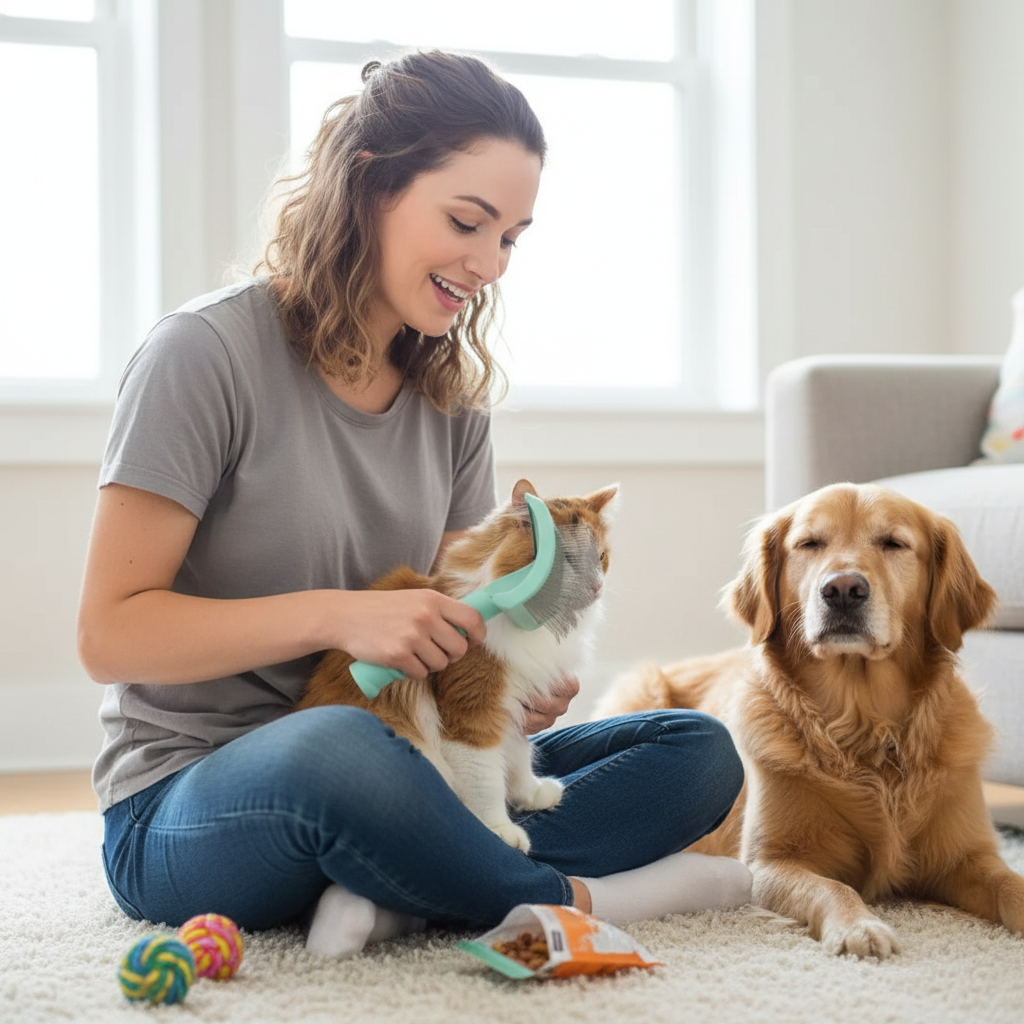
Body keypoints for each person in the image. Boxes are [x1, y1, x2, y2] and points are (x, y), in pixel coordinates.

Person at [77, 50, 750, 958]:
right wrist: (342, 618)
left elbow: (455, 635)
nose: (488, 264)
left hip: (409, 769)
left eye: (510, 238)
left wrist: (516, 683)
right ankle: (581, 895)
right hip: (192, 801)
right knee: (338, 752)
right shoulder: (202, 356)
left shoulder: (451, 401)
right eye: (467, 221)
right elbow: (110, 635)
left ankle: (403, 883)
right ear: (368, 186)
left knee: (695, 750)